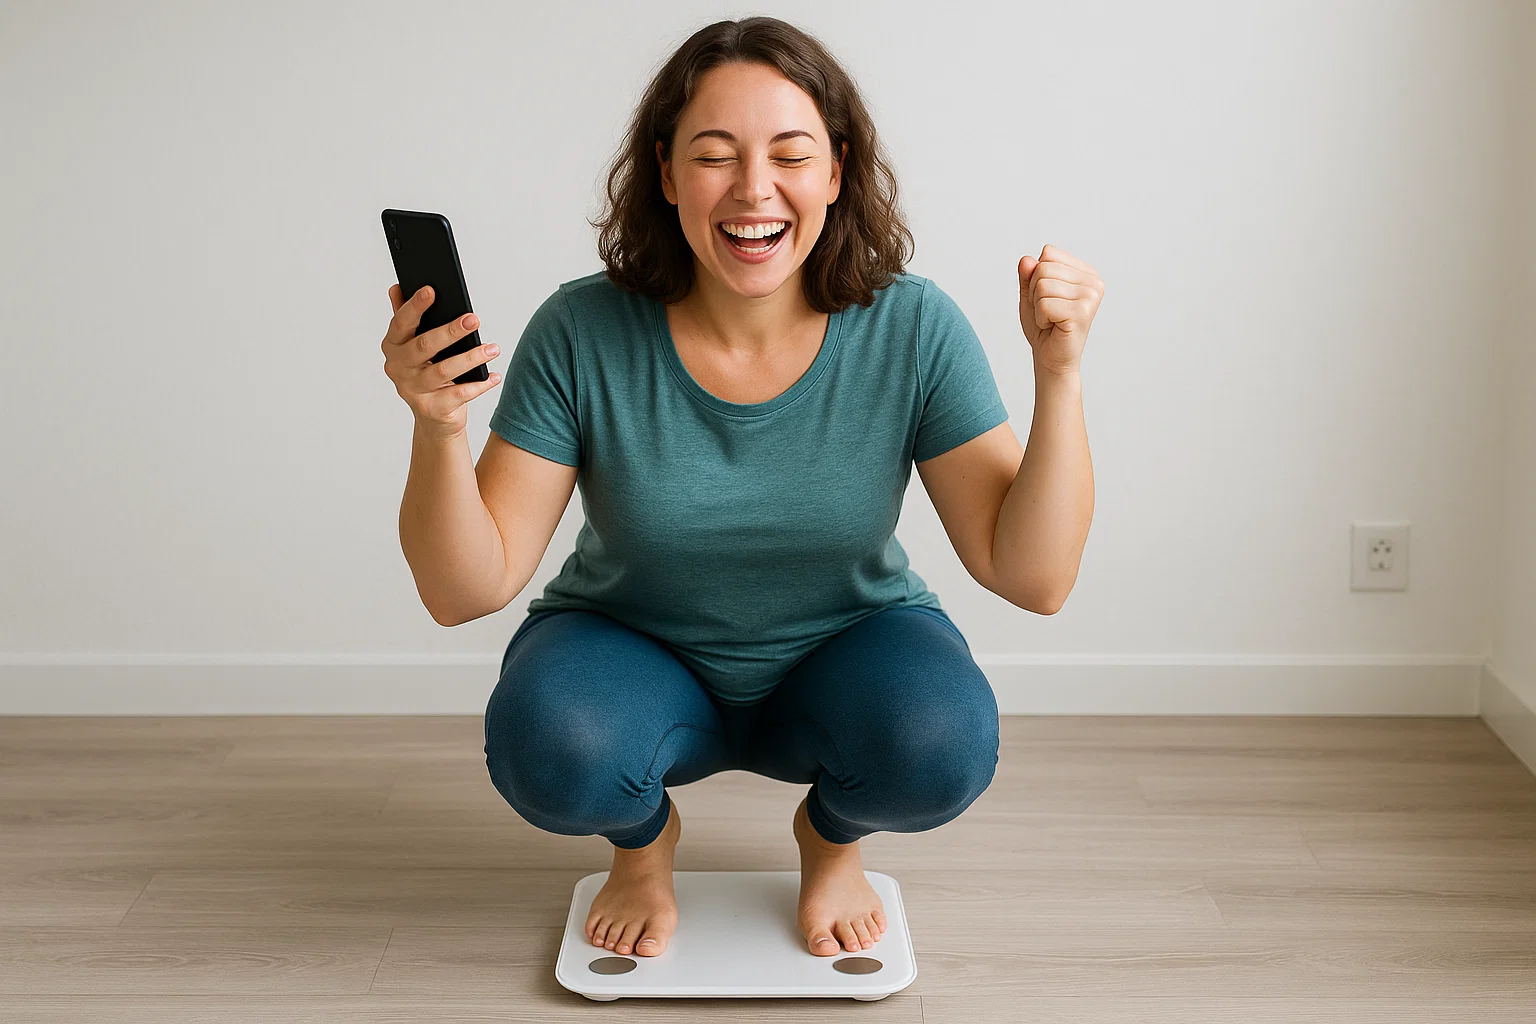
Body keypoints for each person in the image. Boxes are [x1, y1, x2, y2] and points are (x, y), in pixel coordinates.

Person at [384, 16, 1100, 963]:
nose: (754, 190)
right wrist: (439, 425)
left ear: (837, 172)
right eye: (714, 156)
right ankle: (643, 849)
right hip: (631, 647)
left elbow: (1034, 576)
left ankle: (830, 840)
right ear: (668, 175)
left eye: (791, 155)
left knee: (939, 746)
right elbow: (462, 590)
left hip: (847, 643)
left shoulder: (914, 327)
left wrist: (1060, 376)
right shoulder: (582, 330)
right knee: (547, 745)